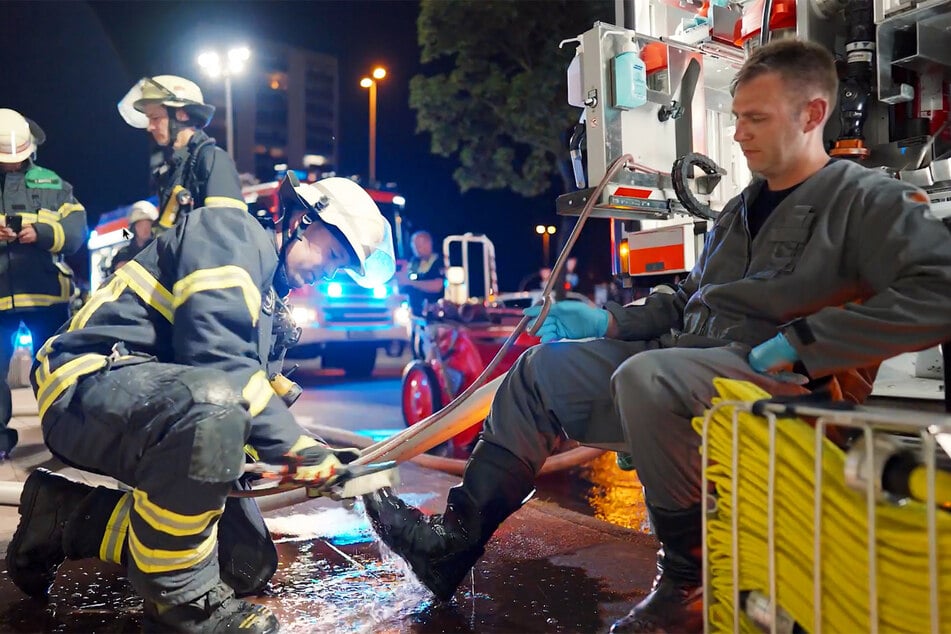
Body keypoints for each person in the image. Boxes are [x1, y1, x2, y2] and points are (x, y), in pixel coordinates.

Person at [363, 39, 951, 633]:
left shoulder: (864, 199)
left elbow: (941, 289)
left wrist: (808, 343)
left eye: (757, 118)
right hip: (685, 368)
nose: (740, 133)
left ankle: (685, 585)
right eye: (740, 116)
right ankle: (451, 548)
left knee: (648, 378)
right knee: (538, 374)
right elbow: (688, 298)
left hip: (786, 388)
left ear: (812, 115)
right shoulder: (739, 211)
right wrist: (611, 321)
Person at [6, 174, 395, 633]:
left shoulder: (268, 296)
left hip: (162, 398)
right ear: (302, 220)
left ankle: (62, 517)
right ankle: (186, 610)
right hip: (85, 380)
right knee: (217, 403)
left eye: (342, 268)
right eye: (333, 255)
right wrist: (296, 449)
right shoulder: (230, 232)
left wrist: (301, 458)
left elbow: (248, 403)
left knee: (243, 565)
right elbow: (222, 365)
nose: (329, 272)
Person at [0, 108, 86, 459]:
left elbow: (77, 230)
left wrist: (43, 232)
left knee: (55, 370)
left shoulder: (53, 184)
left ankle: (66, 441)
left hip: (48, 294)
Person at [118, 75, 246, 231]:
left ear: (182, 114)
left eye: (155, 118)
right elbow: (168, 235)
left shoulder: (212, 159)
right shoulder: (176, 168)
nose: (149, 127)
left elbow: (225, 234)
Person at [397, 230, 445, 316]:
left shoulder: (439, 261)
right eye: (414, 246)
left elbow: (437, 286)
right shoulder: (414, 261)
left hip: (435, 311)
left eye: (419, 246)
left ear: (428, 244)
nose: (416, 249)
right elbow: (404, 277)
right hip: (414, 311)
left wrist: (411, 282)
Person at [110, 199, 158, 272]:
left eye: (148, 225)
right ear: (133, 228)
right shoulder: (122, 254)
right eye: (140, 226)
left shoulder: (159, 251)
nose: (145, 229)